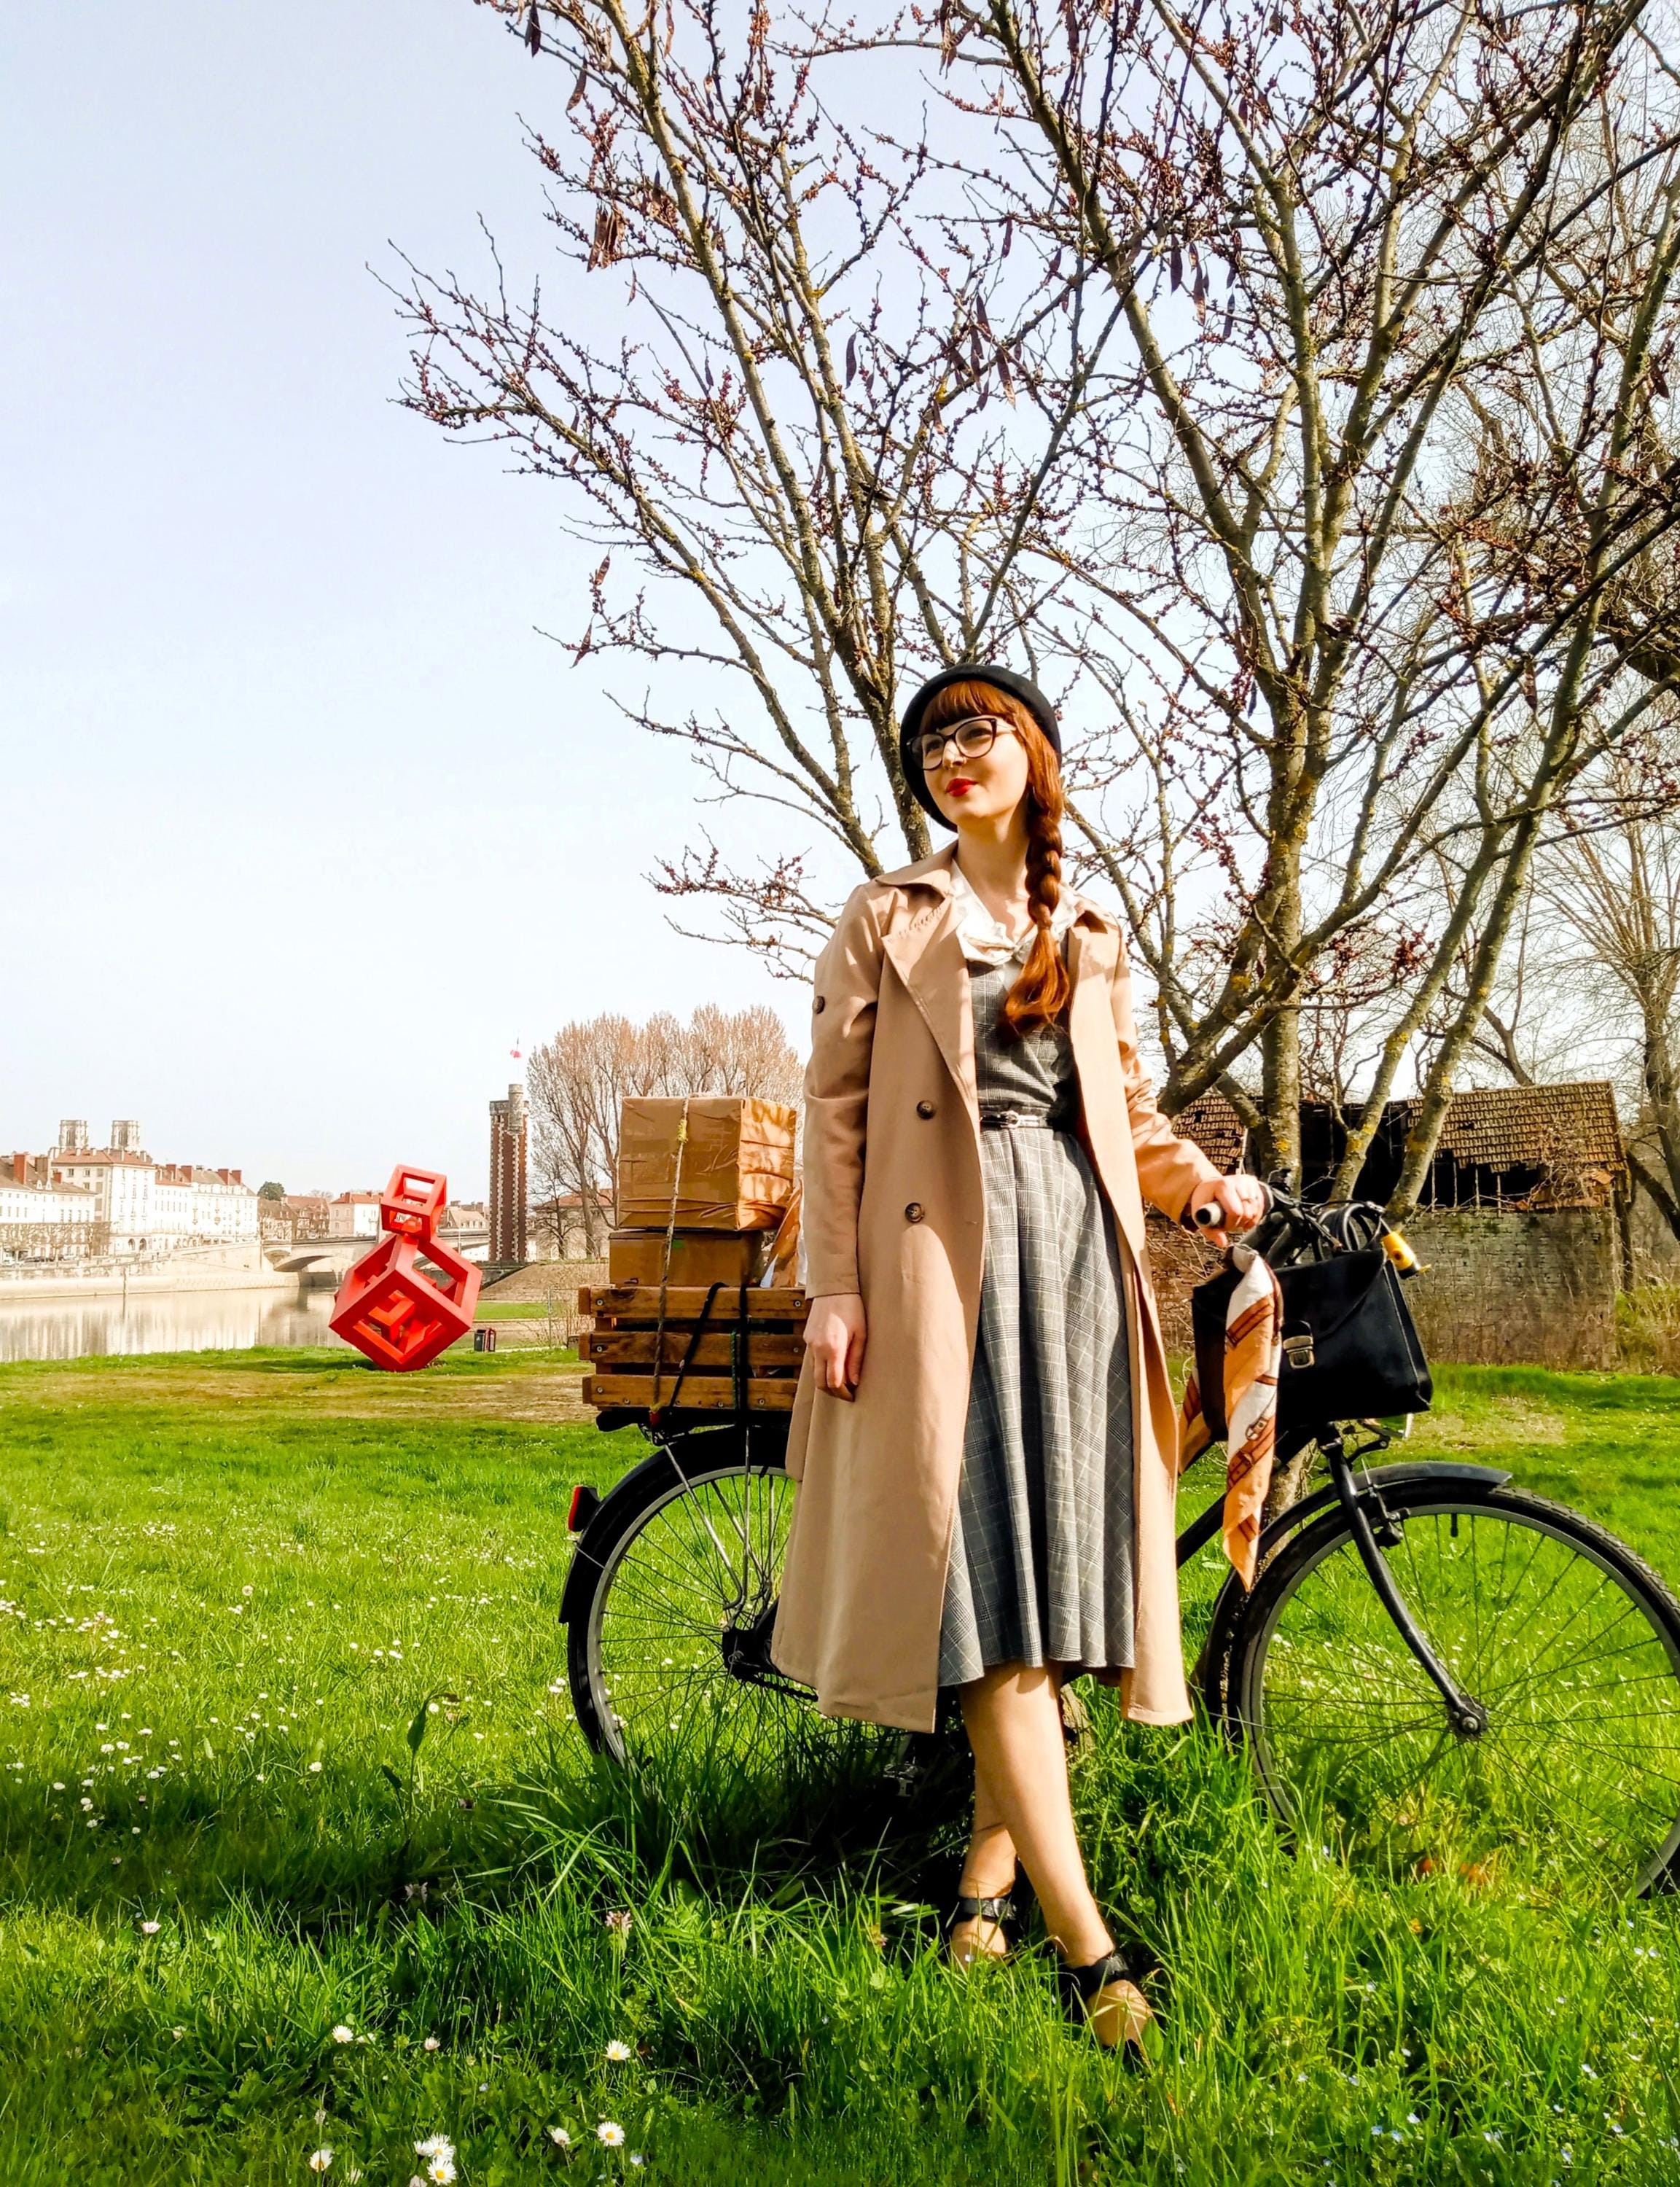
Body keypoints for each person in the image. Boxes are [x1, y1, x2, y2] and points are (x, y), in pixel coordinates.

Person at [767, 664, 1266, 2049]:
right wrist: (835, 1287)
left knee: (1054, 1587)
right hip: (942, 1267)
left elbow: (1131, 1113)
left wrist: (1199, 1189)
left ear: (1031, 750)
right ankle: (1090, 1945)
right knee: (985, 1583)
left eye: (974, 731)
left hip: (1076, 1266)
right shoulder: (886, 916)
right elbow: (834, 1116)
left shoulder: (1087, 928)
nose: (949, 755)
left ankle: (981, 1892)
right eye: (928, 740)